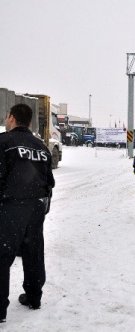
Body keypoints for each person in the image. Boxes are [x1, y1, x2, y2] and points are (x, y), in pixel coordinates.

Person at [0, 104, 55, 323]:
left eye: (6, 116)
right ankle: (34, 297)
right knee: (33, 252)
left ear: (12, 118)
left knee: (2, 255)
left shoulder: (3, 142)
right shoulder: (41, 146)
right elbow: (49, 181)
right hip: (36, 207)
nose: (5, 120)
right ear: (30, 122)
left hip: (10, 206)